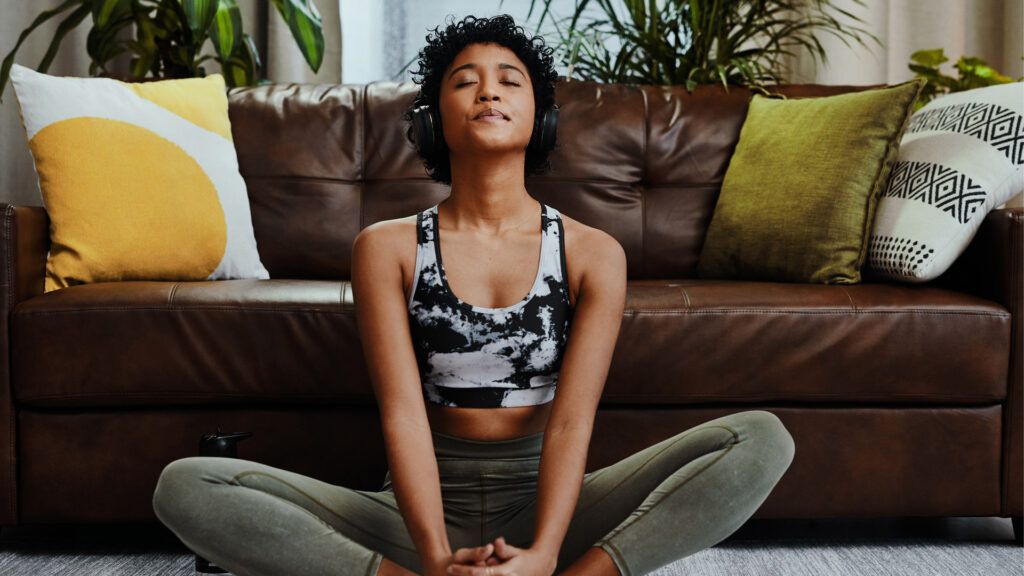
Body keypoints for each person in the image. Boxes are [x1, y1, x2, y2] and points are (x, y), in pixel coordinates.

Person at [151, 13, 796, 576]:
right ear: (436, 118)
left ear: (538, 115)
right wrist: (431, 557)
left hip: (545, 499)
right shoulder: (387, 247)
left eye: (509, 80)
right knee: (187, 486)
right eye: (464, 80)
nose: (488, 89)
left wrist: (545, 552)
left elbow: (572, 420)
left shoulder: (594, 253)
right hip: (420, 509)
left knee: (762, 440)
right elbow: (402, 413)